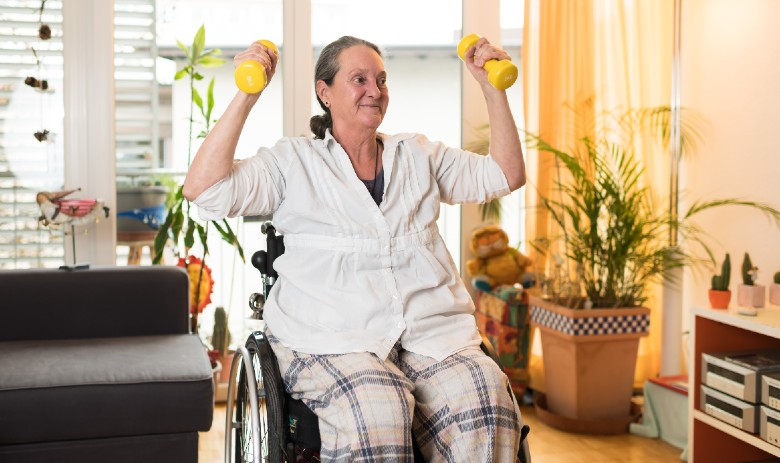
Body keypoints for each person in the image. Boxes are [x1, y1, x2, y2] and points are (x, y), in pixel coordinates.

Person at [184, 35, 527, 462]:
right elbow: (205, 191)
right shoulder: (294, 163)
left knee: (486, 395)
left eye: (381, 80)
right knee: (378, 407)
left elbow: (505, 175)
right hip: (330, 337)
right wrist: (247, 95)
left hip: (428, 333)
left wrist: (491, 88)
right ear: (324, 92)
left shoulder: (418, 155)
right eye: (359, 79)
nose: (375, 90)